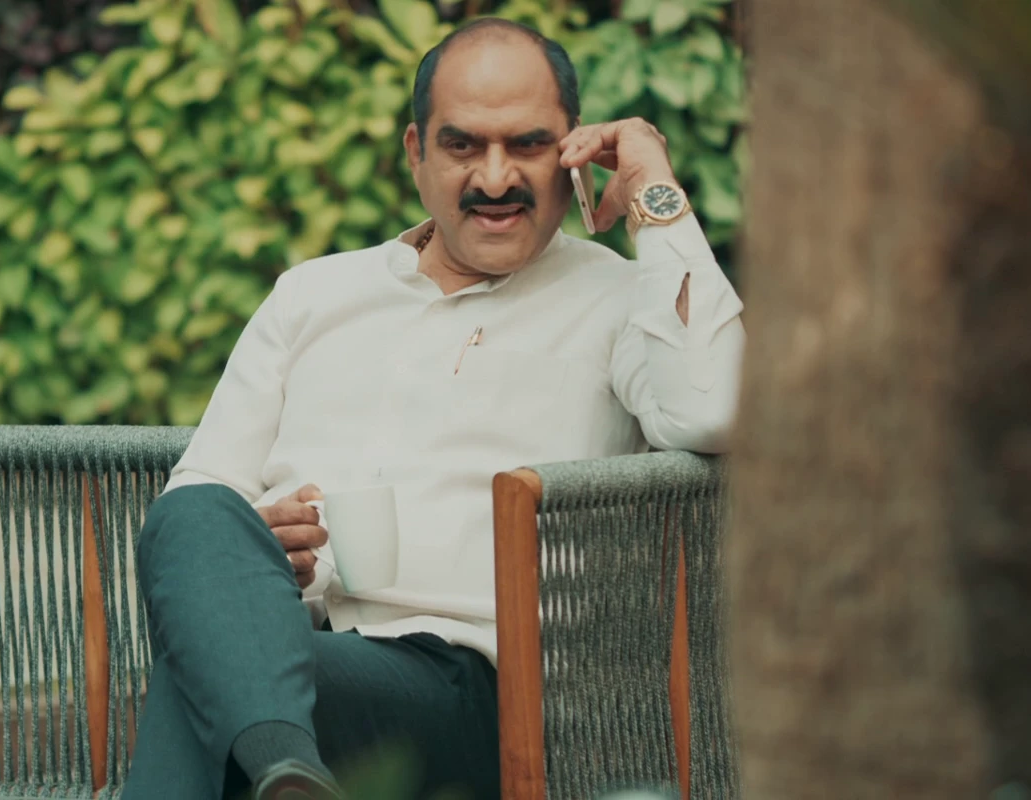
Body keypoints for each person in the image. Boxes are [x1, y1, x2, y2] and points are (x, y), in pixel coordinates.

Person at [124, 16, 745, 800]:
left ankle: (282, 763)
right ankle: (289, 773)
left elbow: (716, 408)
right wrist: (261, 541)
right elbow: (201, 496)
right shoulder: (313, 294)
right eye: (463, 145)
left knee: (204, 676)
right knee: (194, 518)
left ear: (574, 150)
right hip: (297, 649)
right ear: (416, 152)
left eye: (527, 144)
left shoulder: (621, 301)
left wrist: (655, 186)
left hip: (478, 690)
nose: (496, 178)